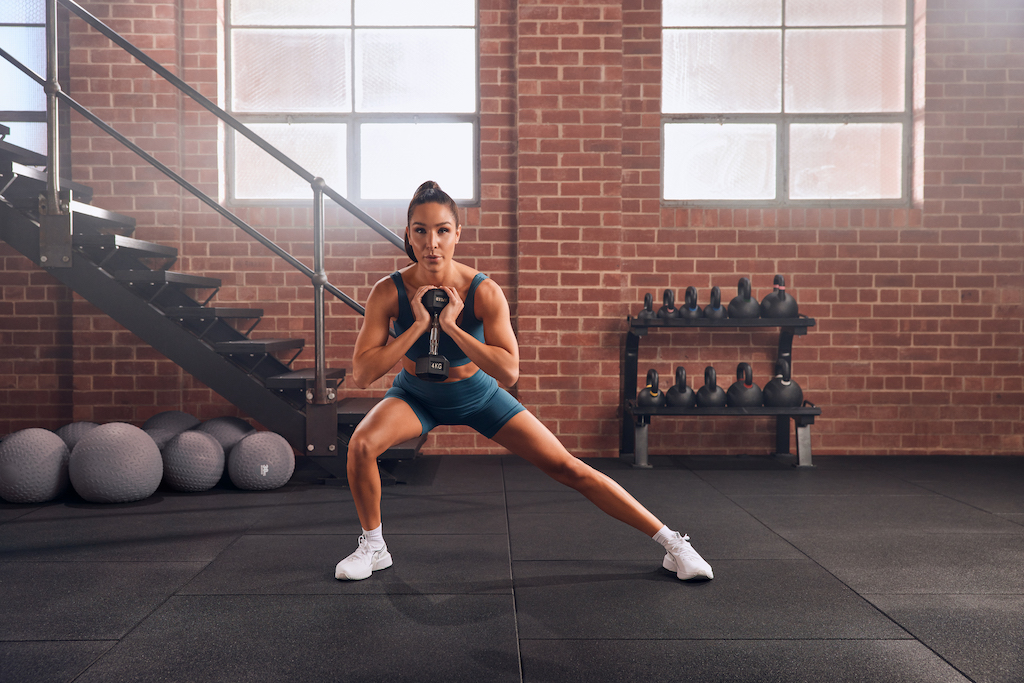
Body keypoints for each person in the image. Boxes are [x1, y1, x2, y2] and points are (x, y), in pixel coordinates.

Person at [335, 180, 713, 582]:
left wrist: (452, 327)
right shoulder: (388, 292)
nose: (432, 243)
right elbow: (364, 371)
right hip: (416, 397)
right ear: (408, 233)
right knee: (361, 444)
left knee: (568, 468)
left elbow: (509, 371)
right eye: (421, 230)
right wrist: (417, 327)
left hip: (478, 396)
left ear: (457, 233)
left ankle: (674, 543)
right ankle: (374, 547)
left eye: (443, 230)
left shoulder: (484, 291)